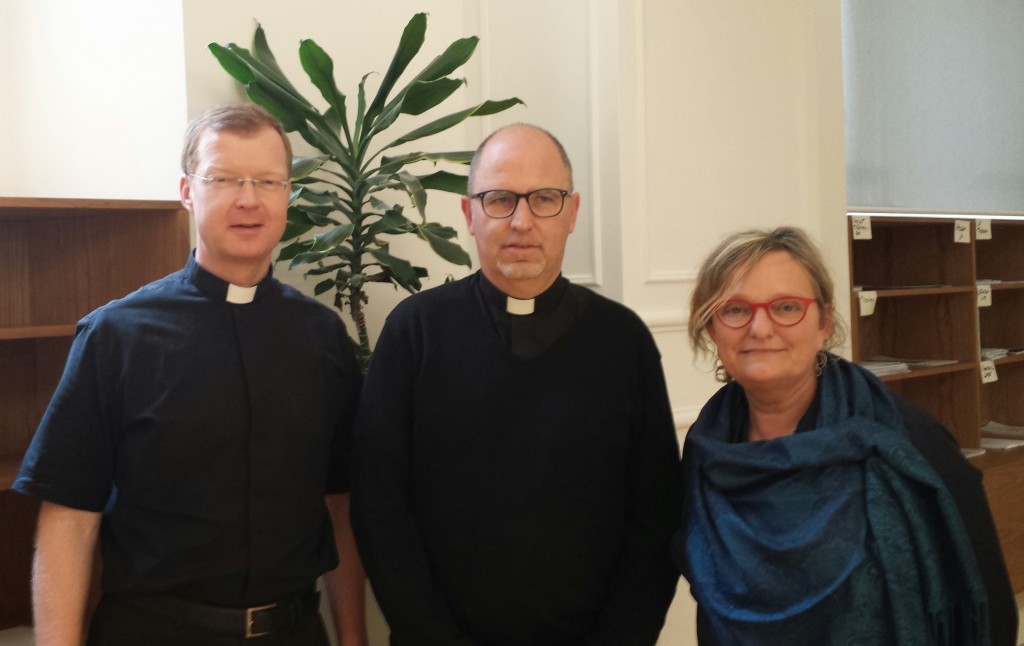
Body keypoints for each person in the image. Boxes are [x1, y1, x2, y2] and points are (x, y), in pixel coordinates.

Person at [14, 103, 367, 646]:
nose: (248, 199)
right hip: (153, 631)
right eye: (224, 179)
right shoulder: (116, 337)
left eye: (268, 181)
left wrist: (353, 638)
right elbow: (69, 517)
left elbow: (338, 505)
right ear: (187, 191)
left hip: (295, 631)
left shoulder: (323, 338)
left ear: (287, 195)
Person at [350, 123, 681, 645]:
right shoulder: (416, 332)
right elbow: (379, 505)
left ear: (572, 213)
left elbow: (656, 514)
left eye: (544, 199)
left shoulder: (622, 341)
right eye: (500, 199)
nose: (522, 221)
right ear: (469, 215)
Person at [675, 226, 1018, 646]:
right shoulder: (708, 445)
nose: (759, 328)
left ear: (823, 321)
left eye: (786, 307)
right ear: (711, 327)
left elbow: (985, 602)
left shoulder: (906, 439)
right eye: (734, 309)